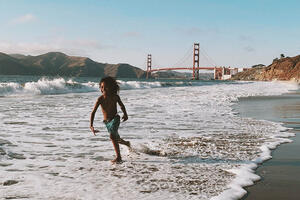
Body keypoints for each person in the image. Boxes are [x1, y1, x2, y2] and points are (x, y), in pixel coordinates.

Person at [90, 76, 130, 163]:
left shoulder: (115, 97)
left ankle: (119, 157)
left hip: (115, 118)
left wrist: (125, 114)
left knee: (112, 136)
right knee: (116, 138)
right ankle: (127, 143)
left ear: (111, 87)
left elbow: (122, 105)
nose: (103, 89)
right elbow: (93, 112)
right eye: (101, 87)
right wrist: (91, 126)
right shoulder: (100, 99)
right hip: (107, 122)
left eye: (105, 87)